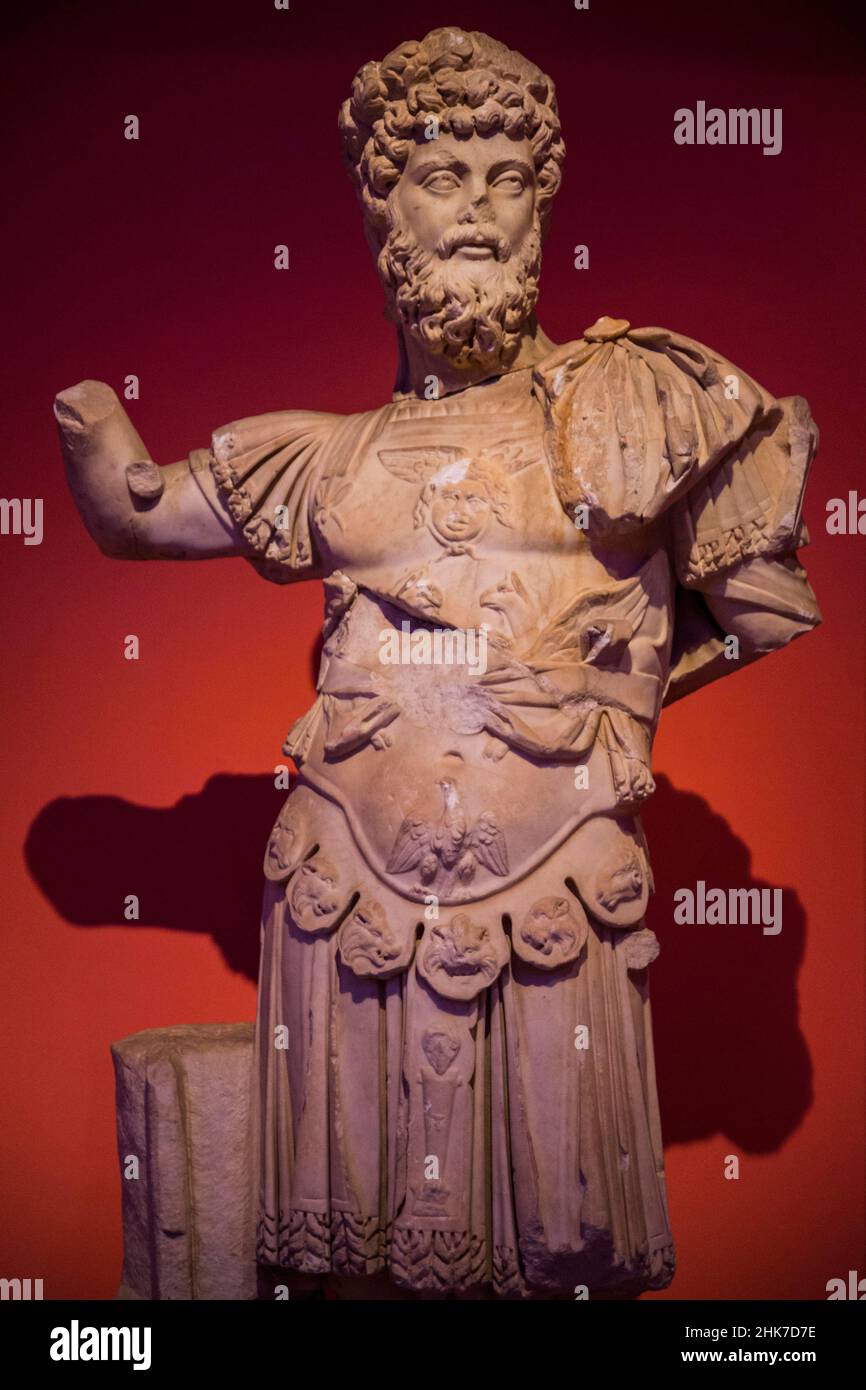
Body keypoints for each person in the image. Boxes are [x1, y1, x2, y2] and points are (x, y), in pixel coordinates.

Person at [55, 27, 821, 1298]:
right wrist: (87, 424)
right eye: (440, 174)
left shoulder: (635, 401)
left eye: (506, 177)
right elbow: (136, 512)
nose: (477, 207)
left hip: (553, 881)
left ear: (543, 203)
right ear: (381, 210)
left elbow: (762, 611)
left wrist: (606, 697)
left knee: (556, 1255)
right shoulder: (327, 458)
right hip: (342, 888)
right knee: (354, 1266)